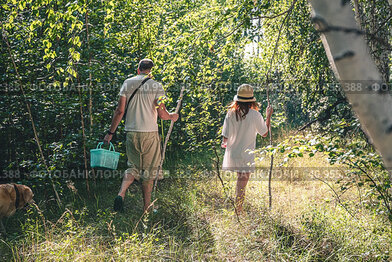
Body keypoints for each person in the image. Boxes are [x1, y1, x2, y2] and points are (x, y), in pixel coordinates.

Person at [103, 59, 179, 213]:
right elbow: (162, 114)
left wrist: (110, 133)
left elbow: (119, 111)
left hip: (131, 132)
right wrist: (172, 116)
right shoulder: (157, 86)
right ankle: (147, 208)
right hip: (149, 133)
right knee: (149, 172)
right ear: (150, 71)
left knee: (133, 167)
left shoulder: (127, 83)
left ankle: (121, 193)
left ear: (138, 69)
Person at [221, 84, 273, 213]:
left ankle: (237, 208)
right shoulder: (255, 115)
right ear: (252, 100)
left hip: (233, 152)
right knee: (241, 184)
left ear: (237, 100)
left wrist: (226, 144)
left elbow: (225, 137)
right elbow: (264, 133)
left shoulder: (230, 113)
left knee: (239, 182)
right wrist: (268, 116)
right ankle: (238, 211)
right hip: (246, 154)